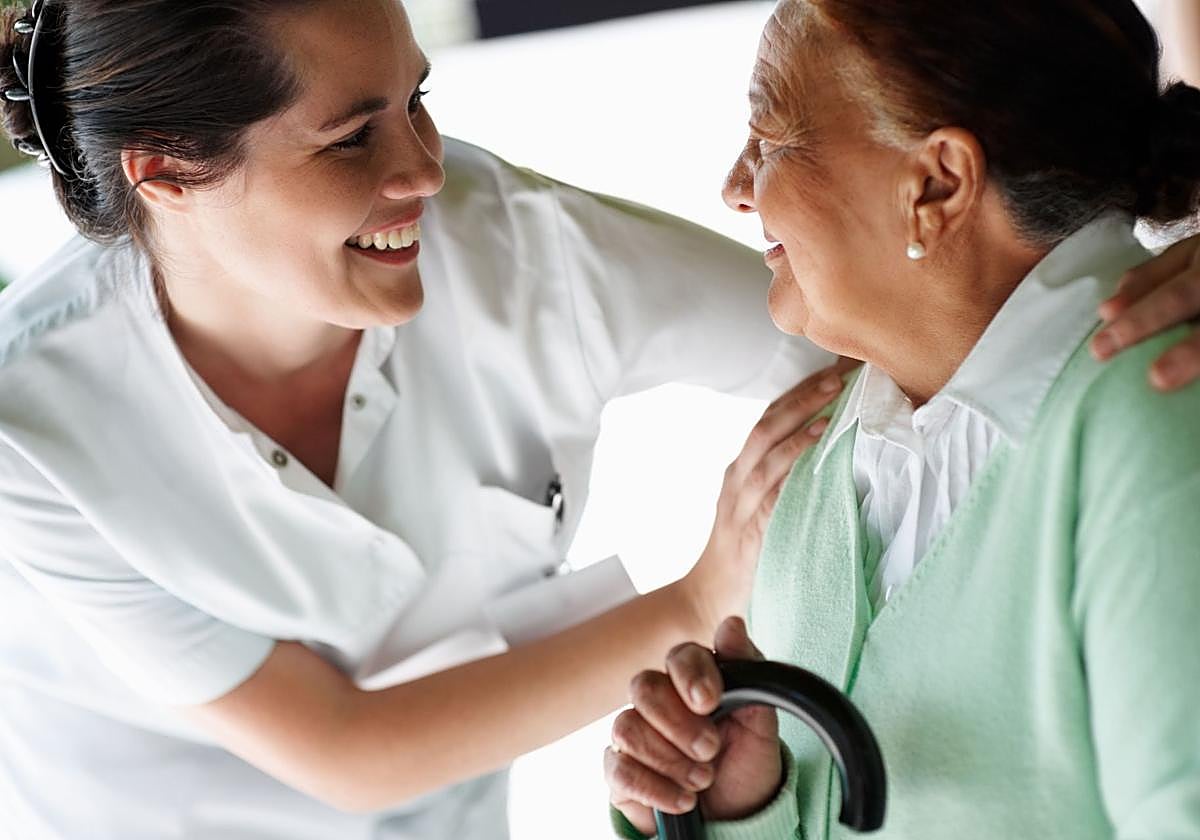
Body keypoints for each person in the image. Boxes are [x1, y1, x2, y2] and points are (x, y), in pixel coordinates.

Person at [0, 2, 1194, 839]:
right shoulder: (34, 421)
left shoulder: (523, 249)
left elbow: (886, 317)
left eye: (418, 98)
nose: (427, 167)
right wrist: (695, 625)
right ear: (164, 172)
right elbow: (348, 752)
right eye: (351, 136)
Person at [605, 1, 1200, 838]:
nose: (737, 189)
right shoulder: (815, 468)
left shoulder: (1163, 413)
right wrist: (735, 808)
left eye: (771, 142)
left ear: (936, 184)